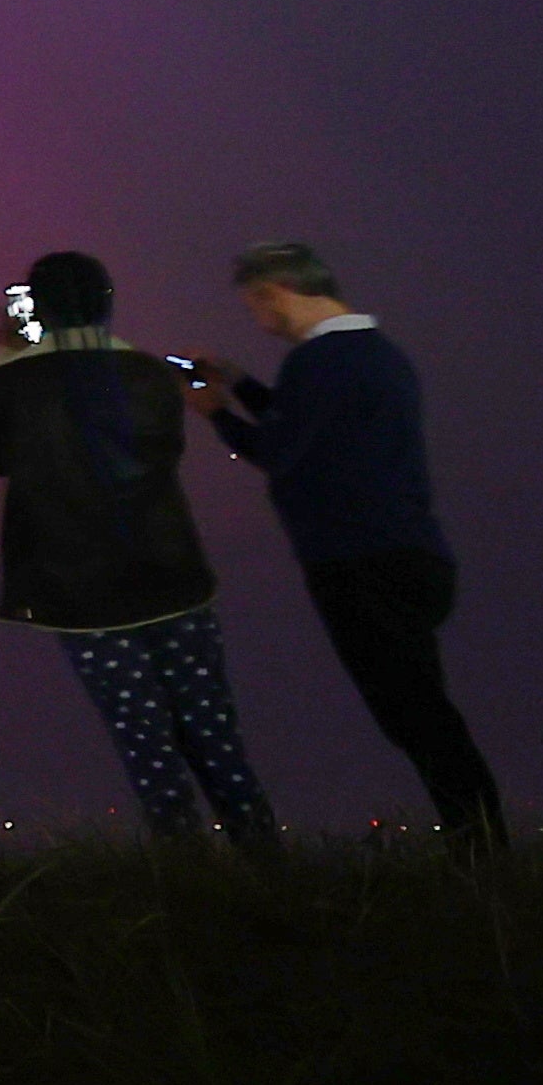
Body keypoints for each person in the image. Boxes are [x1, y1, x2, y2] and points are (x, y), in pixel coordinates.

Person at [0, 251, 277, 852]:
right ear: (107, 301)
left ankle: (185, 867)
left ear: (34, 311)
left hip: (81, 592)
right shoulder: (150, 375)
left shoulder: (12, 383)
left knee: (143, 738)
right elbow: (162, 445)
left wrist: (10, 355)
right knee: (212, 729)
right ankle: (264, 854)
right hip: (172, 574)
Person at [193, 240, 505, 853]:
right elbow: (311, 423)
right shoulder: (372, 355)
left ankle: (481, 849)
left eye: (254, 307)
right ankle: (479, 844)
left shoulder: (318, 363)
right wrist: (243, 384)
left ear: (273, 294)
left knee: (415, 717)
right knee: (423, 708)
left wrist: (216, 414)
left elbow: (281, 454)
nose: (257, 321)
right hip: (410, 552)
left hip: (360, 562)